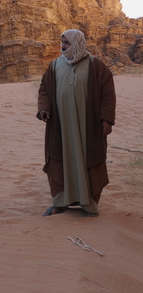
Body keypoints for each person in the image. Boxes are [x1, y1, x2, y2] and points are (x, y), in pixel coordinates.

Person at [37, 29, 116, 217]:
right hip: (61, 125)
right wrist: (44, 108)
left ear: (78, 44)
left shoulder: (96, 66)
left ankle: (88, 204)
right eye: (61, 42)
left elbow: (108, 94)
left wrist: (106, 119)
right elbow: (44, 90)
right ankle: (60, 202)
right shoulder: (55, 65)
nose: (63, 46)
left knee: (89, 157)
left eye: (67, 43)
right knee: (59, 158)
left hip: (87, 125)